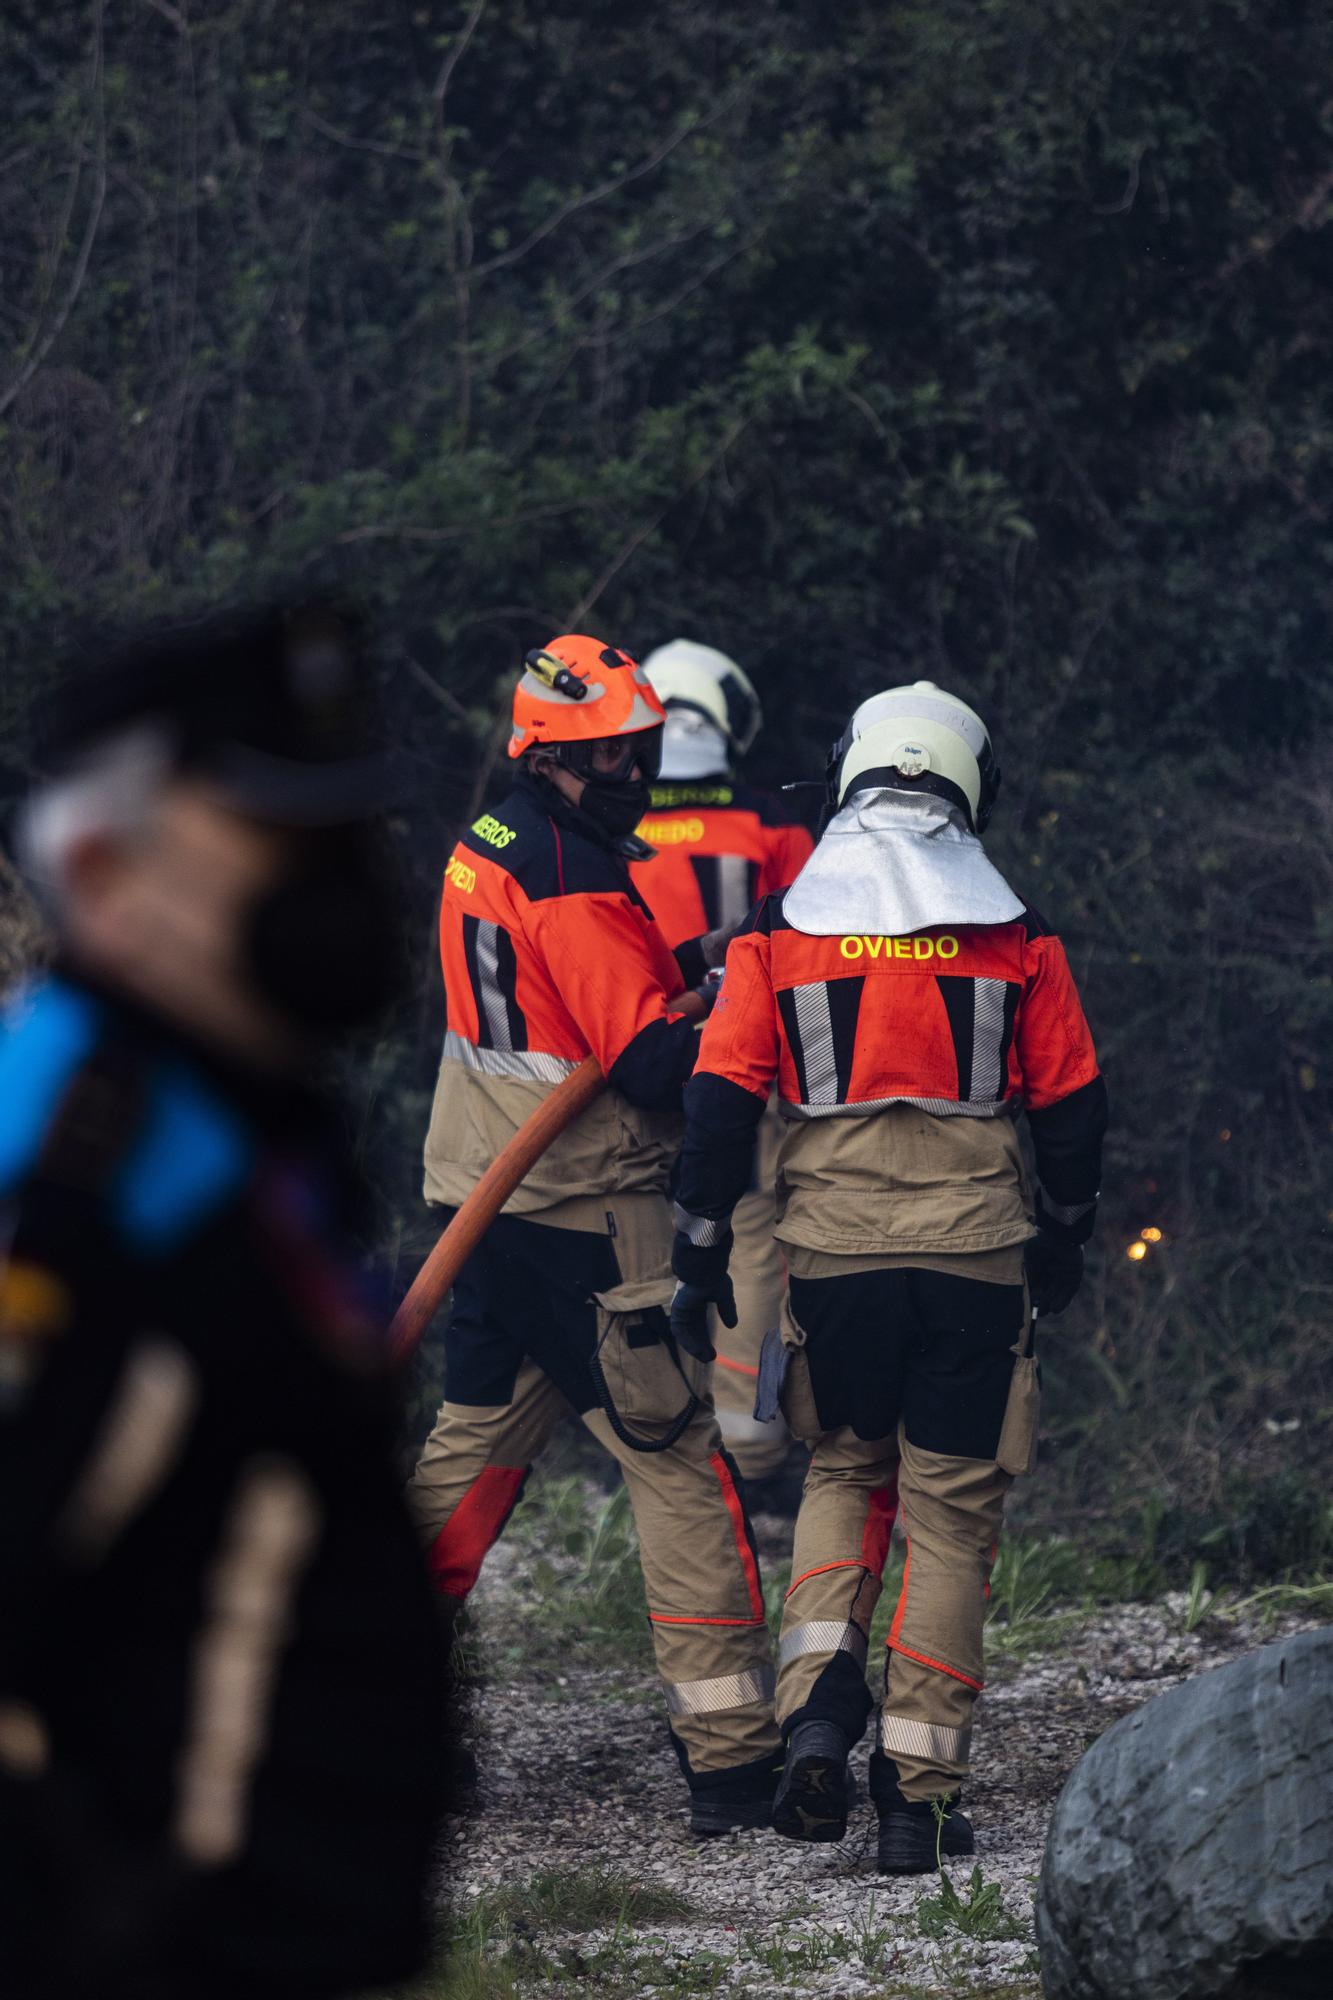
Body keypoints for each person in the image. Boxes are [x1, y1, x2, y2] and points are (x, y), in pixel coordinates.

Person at [0, 608, 445, 1999]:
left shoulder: (242, 1125)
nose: (336, 884)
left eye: (343, 835)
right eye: (275, 841)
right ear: (99, 871)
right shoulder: (78, 1176)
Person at [669, 680, 1107, 1872]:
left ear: (854, 773)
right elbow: (1072, 1116)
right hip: (975, 1262)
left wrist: (699, 1239)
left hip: (830, 1264)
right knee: (951, 1516)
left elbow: (716, 1110)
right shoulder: (1020, 938)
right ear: (967, 784)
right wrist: (1061, 1234)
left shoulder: (776, 934)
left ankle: (816, 1701)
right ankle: (915, 1795)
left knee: (844, 1466)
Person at [407, 633, 782, 1836]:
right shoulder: (568, 868)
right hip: (585, 1218)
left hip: (489, 1199)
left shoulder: (495, 838)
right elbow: (649, 1061)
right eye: (621, 750)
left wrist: (703, 957)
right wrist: (747, 1022)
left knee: (470, 1451)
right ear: (565, 756)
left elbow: (582, 993)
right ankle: (730, 1756)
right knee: (676, 1460)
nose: (642, 765)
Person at [628, 641, 813, 1492]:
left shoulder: (611, 823)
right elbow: (811, 938)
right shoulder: (772, 824)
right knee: (746, 1230)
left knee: (647, 1234)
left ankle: (659, 1426)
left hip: (634, 1067)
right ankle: (751, 1443)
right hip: (752, 1070)